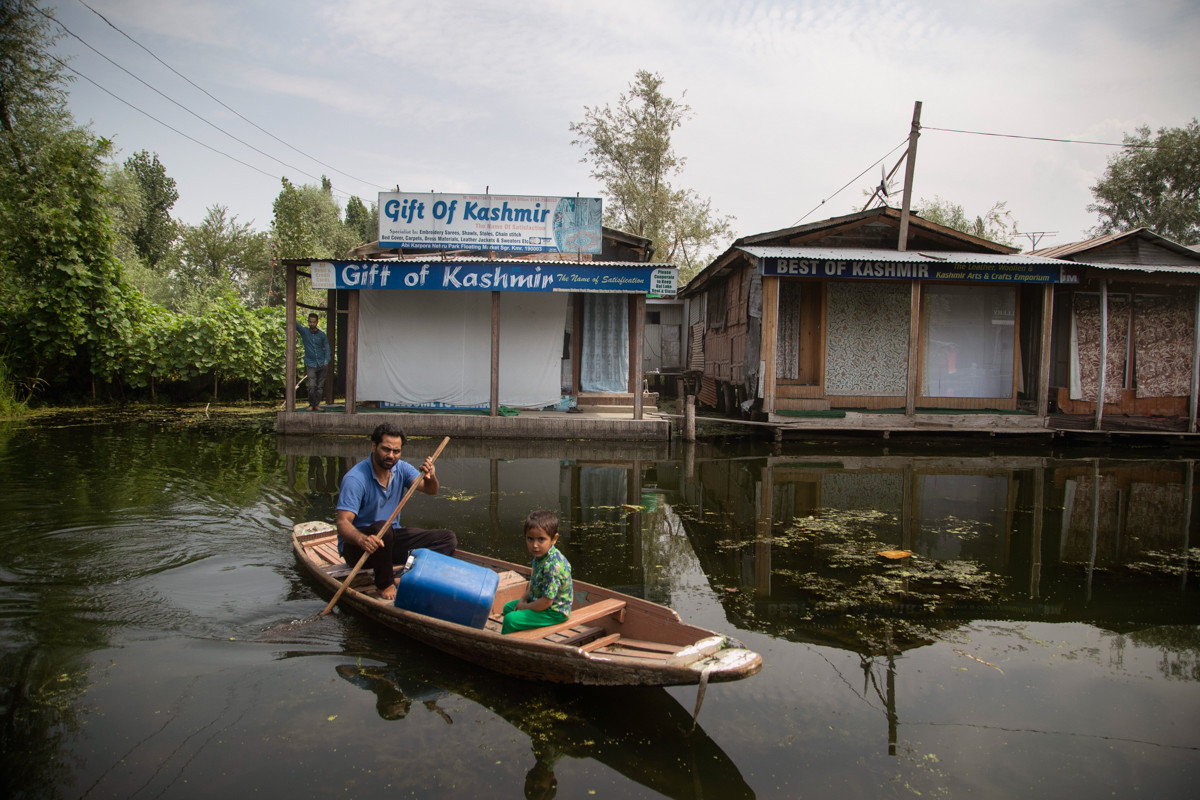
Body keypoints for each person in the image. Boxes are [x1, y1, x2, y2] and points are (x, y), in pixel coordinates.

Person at [335, 422, 457, 601]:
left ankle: (404, 575)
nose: (391, 456)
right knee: (382, 530)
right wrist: (362, 539)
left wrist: (431, 475)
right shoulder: (356, 478)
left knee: (447, 538)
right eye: (386, 449)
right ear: (374, 446)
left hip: (389, 540)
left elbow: (431, 490)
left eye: (396, 451)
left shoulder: (402, 469)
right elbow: (342, 522)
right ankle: (384, 583)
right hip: (360, 548)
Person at [501, 510, 573, 634]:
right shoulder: (540, 556)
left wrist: (525, 607)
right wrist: (522, 600)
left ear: (554, 539)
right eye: (530, 539)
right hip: (539, 600)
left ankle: (507, 646)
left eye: (541, 539)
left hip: (553, 612)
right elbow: (534, 583)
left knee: (509, 620)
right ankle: (521, 636)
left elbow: (546, 601)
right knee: (508, 608)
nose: (535, 545)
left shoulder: (552, 567)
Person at [295, 312, 331, 411]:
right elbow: (295, 325)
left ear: (317, 322)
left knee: (320, 386)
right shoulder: (305, 332)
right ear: (308, 322)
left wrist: (326, 361)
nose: (312, 324)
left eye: (313, 322)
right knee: (311, 385)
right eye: (310, 322)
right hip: (310, 363)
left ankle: (316, 404)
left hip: (322, 363)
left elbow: (327, 349)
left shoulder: (322, 335)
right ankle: (311, 404)